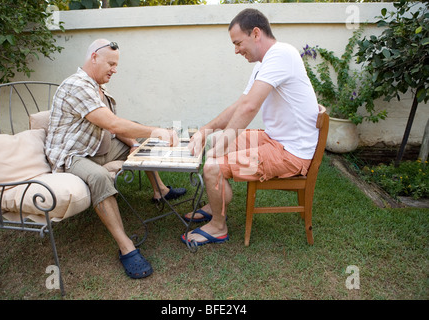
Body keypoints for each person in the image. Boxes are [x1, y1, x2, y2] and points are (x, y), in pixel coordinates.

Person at [45, 39, 187, 279]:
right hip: (72, 155)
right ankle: (126, 248)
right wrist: (154, 131)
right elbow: (111, 123)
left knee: (139, 143)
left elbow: (114, 127)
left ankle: (160, 190)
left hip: (96, 148)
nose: (114, 69)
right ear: (93, 58)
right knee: (100, 176)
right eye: (110, 63)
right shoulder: (77, 85)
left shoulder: (98, 88)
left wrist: (134, 143)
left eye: (116, 64)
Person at [182, 9, 319, 246]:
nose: (236, 50)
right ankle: (217, 202)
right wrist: (207, 129)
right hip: (274, 140)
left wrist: (224, 141)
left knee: (213, 165)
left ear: (256, 33)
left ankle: (218, 227)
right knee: (214, 144)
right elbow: (240, 104)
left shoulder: (281, 55)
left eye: (238, 43)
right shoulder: (264, 63)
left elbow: (250, 107)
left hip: (290, 154)